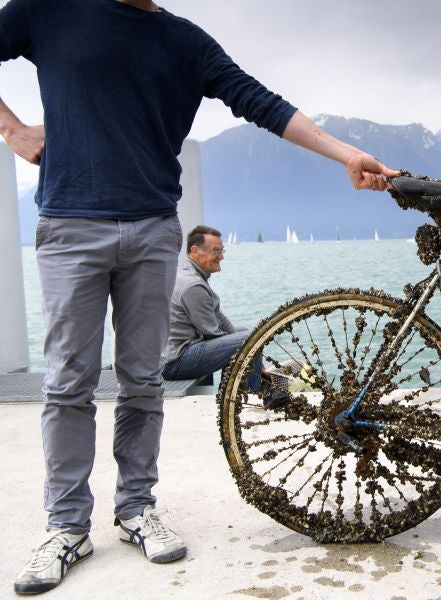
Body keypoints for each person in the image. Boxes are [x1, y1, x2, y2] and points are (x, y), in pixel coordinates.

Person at [0, 0, 399, 595]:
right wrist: (12, 128)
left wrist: (347, 154)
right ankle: (66, 527)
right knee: (68, 382)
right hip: (70, 225)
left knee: (142, 379)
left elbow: (261, 102)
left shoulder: (184, 41)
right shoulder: (49, 10)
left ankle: (137, 510)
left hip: (153, 228)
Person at [162, 225, 302, 408]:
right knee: (249, 339)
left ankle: (251, 385)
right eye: (216, 251)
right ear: (195, 251)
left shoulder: (190, 274)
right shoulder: (193, 286)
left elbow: (219, 317)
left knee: (246, 334)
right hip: (176, 363)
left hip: (175, 354)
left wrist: (252, 355)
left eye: (222, 250)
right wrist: (251, 352)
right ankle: (248, 396)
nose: (221, 257)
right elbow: (212, 334)